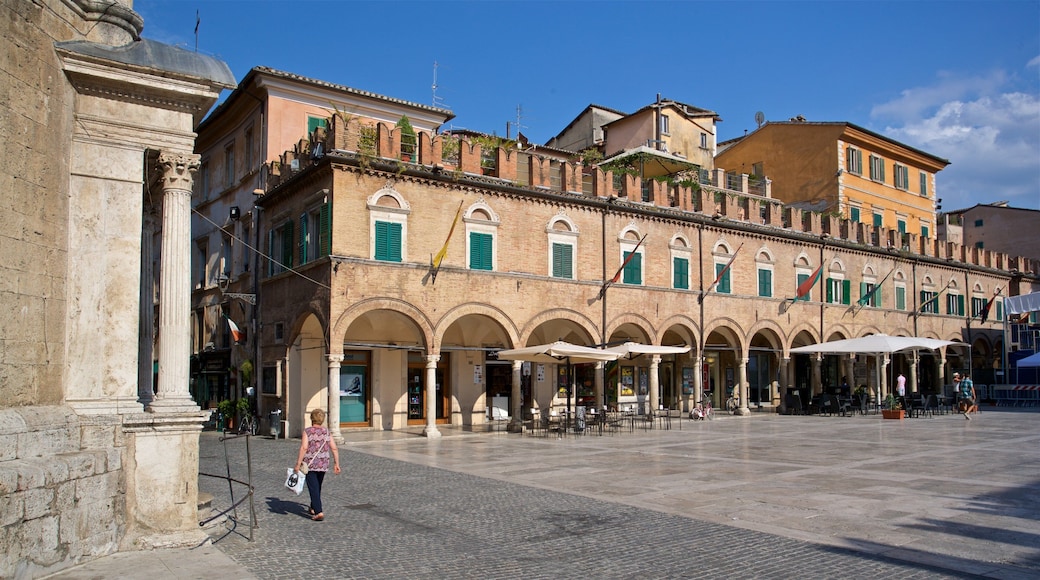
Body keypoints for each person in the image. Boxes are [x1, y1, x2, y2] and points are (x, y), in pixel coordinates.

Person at [295, 408, 340, 521]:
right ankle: (313, 507)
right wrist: (336, 463)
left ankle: (319, 512)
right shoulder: (326, 432)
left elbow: (304, 447)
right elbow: (334, 448)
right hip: (323, 463)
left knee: (313, 487)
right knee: (317, 486)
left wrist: (298, 463)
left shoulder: (308, 431)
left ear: (312, 419)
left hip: (310, 464)